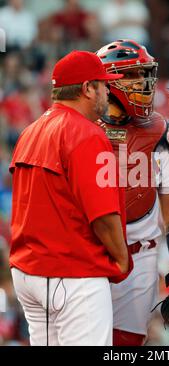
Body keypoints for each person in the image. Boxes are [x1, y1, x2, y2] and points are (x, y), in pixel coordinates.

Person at [9, 50, 133, 346]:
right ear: (87, 89)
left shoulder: (31, 131)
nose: (108, 91)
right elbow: (102, 214)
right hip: (72, 273)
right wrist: (121, 259)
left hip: (29, 274)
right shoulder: (87, 134)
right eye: (103, 85)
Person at [96, 39, 169, 346]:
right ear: (109, 80)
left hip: (142, 255)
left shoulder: (161, 130)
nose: (144, 84)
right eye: (134, 75)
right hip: (91, 253)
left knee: (128, 343)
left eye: (146, 74)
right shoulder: (82, 127)